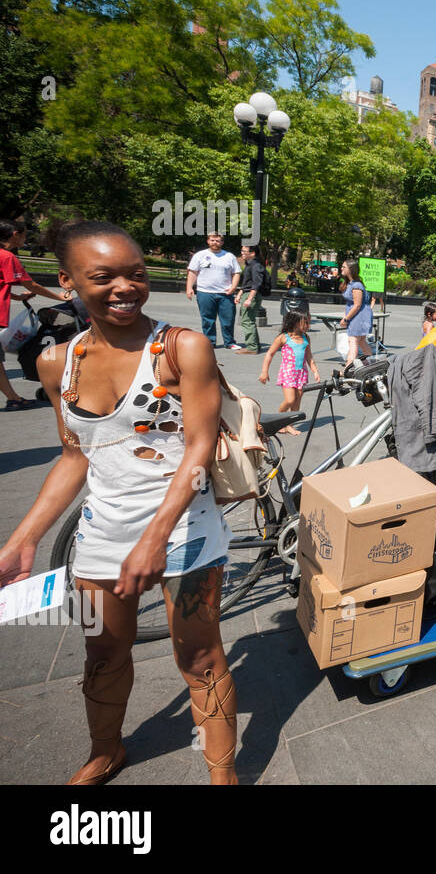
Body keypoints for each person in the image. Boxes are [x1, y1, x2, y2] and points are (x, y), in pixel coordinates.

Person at [0, 221, 239, 784]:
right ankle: (106, 751)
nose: (124, 288)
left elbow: (199, 451)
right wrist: (23, 538)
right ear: (67, 281)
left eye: (134, 274)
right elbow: (72, 456)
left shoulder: (181, 348)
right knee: (101, 655)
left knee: (200, 660)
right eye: (103, 277)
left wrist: (154, 540)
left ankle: (223, 776)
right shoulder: (57, 362)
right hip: (98, 538)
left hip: (186, 534)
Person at [2, 219, 76, 409]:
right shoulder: (7, 257)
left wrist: (17, 298)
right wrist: (58, 296)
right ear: (15, 235)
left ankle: (14, 399)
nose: (26, 238)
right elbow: (31, 284)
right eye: (24, 234)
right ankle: (14, 399)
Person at [258, 311, 320, 435]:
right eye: (305, 322)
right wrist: (264, 371)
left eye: (308, 322)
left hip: (301, 373)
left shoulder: (305, 338)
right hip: (288, 373)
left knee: (297, 400)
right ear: (295, 322)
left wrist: (315, 371)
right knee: (290, 400)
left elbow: (309, 357)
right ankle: (279, 420)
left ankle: (289, 425)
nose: (308, 325)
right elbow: (269, 354)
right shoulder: (283, 337)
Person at [185, 232, 242, 351]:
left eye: (217, 241)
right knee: (207, 319)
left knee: (228, 319)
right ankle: (210, 342)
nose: (215, 243)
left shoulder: (229, 256)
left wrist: (233, 287)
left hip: (225, 293)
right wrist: (189, 287)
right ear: (208, 241)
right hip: (205, 292)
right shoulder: (200, 255)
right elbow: (192, 272)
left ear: (222, 242)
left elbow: (236, 273)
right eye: (212, 240)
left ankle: (229, 342)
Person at [337, 259, 373, 373]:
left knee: (353, 342)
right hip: (357, 316)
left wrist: (346, 318)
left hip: (359, 316)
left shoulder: (356, 285)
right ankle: (371, 365)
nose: (341, 269)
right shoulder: (351, 284)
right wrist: (345, 316)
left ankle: (348, 369)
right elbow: (350, 304)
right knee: (361, 341)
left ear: (351, 269)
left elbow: (357, 305)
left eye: (344, 267)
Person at [236, 244, 268, 354]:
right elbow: (247, 283)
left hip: (252, 295)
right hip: (248, 293)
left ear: (252, 253)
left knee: (247, 321)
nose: (242, 253)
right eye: (242, 251)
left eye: (244, 251)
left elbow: (256, 284)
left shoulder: (256, 266)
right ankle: (255, 345)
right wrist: (240, 294)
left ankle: (251, 347)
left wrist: (249, 298)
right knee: (249, 321)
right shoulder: (250, 265)